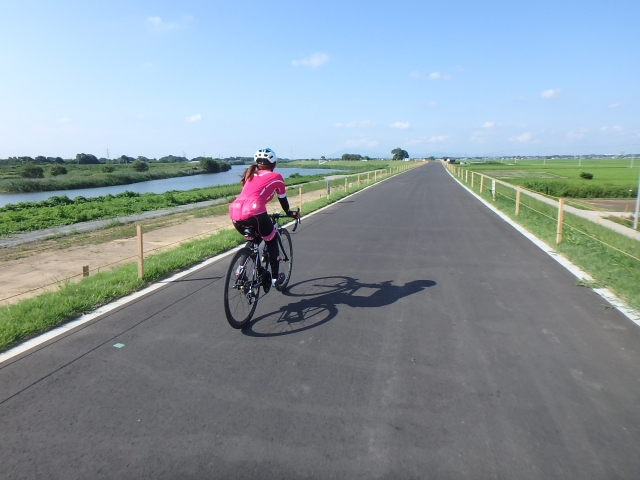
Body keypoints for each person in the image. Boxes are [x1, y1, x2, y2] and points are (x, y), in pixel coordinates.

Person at [229, 148, 298, 290]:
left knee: (254, 240)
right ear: (273, 162)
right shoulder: (276, 176)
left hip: (235, 212)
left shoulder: (250, 175)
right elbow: (282, 199)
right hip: (255, 212)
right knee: (271, 241)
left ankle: (240, 270)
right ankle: (275, 278)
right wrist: (289, 212)